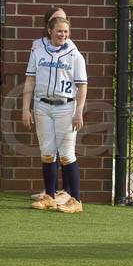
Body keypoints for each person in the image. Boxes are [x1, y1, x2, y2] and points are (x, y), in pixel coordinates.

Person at [22, 14, 88, 213]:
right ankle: (49, 197)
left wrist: (79, 112)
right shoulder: (38, 51)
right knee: (47, 154)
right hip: (42, 105)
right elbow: (30, 81)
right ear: (50, 31)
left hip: (65, 107)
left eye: (66, 31)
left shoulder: (74, 55)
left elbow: (82, 85)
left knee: (67, 155)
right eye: (59, 31)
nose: (63, 34)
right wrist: (26, 108)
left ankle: (76, 201)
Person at [30, 6, 71, 206]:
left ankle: (68, 191)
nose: (61, 25)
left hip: (63, 105)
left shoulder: (71, 47)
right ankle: (50, 190)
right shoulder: (38, 46)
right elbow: (33, 75)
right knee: (48, 149)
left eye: (64, 21)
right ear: (48, 25)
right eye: (56, 21)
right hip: (43, 103)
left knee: (66, 151)